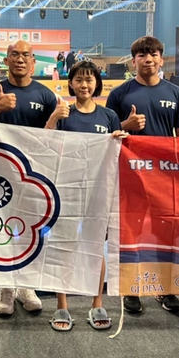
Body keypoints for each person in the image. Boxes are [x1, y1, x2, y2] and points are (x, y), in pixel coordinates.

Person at [106, 36, 179, 315]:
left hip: (165, 178)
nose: (148, 59)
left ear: (161, 59)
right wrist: (125, 124)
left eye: (153, 54)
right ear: (133, 61)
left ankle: (165, 286)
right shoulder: (119, 94)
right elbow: (106, 135)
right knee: (130, 232)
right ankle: (131, 288)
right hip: (130, 177)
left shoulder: (176, 94)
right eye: (142, 55)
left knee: (165, 232)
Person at [44, 61, 124, 332]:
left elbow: (118, 155)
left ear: (97, 84)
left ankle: (96, 302)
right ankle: (62, 305)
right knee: (64, 246)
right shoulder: (64, 113)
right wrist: (53, 118)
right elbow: (45, 145)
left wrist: (120, 138)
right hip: (67, 189)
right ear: (71, 83)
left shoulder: (109, 116)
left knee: (95, 247)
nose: (84, 85)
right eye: (79, 80)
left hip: (98, 191)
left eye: (89, 80)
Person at [0, 40, 57, 315]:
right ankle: (6, 286)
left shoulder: (45, 95)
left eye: (26, 55)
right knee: (2, 228)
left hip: (33, 174)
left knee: (29, 229)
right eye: (15, 55)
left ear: (33, 61)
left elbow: (54, 137)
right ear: (7, 60)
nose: (21, 59)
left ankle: (26, 285)